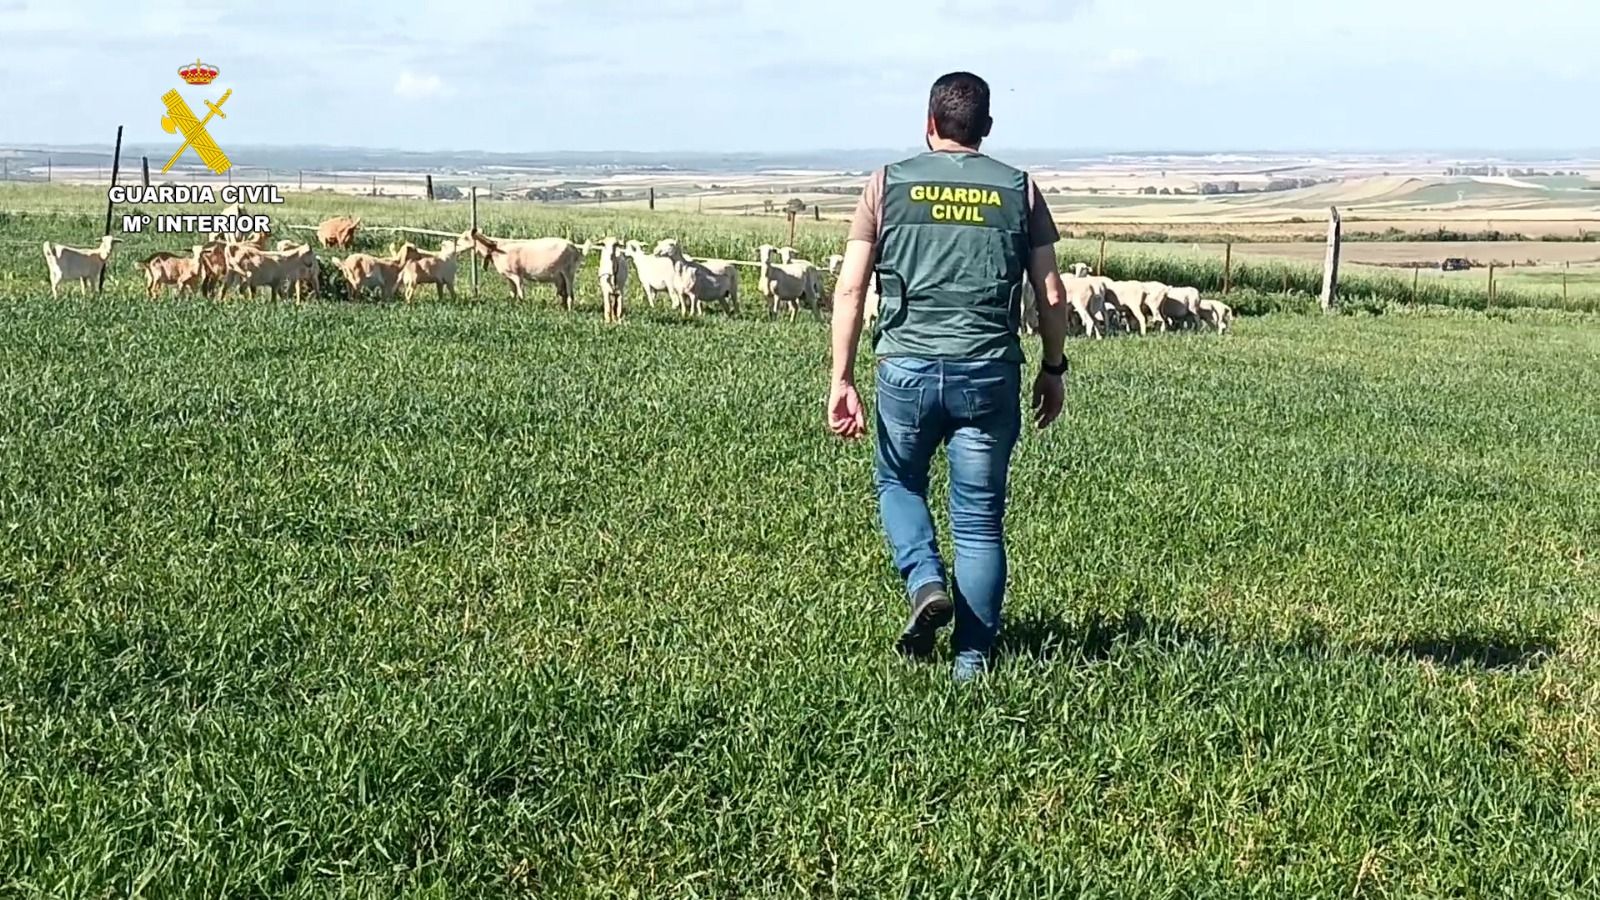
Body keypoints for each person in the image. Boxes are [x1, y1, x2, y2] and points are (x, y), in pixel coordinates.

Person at [825, 71, 1070, 683]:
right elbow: (1053, 294)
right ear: (986, 128)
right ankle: (970, 665)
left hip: (905, 370)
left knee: (899, 484)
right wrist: (1053, 367)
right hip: (988, 374)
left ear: (929, 123)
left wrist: (842, 377)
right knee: (980, 521)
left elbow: (851, 289)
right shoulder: (1021, 189)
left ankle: (925, 579)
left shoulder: (885, 184)